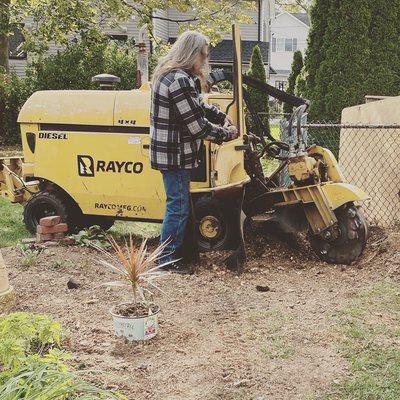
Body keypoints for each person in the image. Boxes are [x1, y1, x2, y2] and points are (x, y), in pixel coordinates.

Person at [150, 30, 238, 274]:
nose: (205, 62)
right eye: (204, 56)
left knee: (179, 205)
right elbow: (197, 127)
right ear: (192, 54)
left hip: (171, 153)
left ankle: (178, 253)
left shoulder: (172, 75)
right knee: (177, 207)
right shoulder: (179, 80)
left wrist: (222, 115)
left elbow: (198, 105)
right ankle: (166, 260)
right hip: (175, 155)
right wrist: (227, 133)